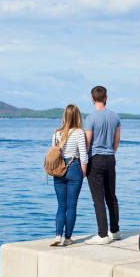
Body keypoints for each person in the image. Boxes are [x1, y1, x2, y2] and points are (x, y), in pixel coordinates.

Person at [84, 86, 121, 244]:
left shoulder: (90, 118)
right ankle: (115, 230)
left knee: (98, 198)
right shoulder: (115, 117)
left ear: (92, 99)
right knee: (111, 196)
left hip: (96, 159)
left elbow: (87, 142)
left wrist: (84, 161)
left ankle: (102, 234)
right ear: (106, 98)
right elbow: (117, 139)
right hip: (110, 158)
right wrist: (111, 152)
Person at [50, 104, 88, 247]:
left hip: (58, 170)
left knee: (61, 205)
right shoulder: (79, 133)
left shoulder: (56, 133)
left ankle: (57, 235)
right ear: (77, 116)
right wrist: (83, 172)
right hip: (74, 168)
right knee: (72, 205)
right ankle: (67, 238)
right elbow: (83, 156)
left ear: (64, 116)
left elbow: (54, 154)